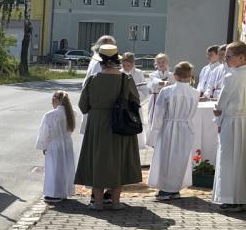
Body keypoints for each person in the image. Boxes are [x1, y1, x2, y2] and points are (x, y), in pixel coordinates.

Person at [75, 43, 142, 210]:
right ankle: (116, 202)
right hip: (120, 123)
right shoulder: (126, 79)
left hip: (97, 123)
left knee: (98, 160)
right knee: (118, 160)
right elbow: (136, 101)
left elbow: (83, 106)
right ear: (117, 61)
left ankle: (97, 202)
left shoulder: (92, 80)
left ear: (101, 62)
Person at [212, 41, 246, 211]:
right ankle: (241, 199)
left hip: (233, 121)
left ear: (241, 57)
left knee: (229, 160)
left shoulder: (231, 76)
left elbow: (221, 103)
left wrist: (218, 118)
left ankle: (231, 199)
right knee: (244, 162)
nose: (225, 59)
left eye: (228, 56)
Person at [148, 61, 199, 199]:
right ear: (190, 76)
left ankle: (166, 189)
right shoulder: (195, 93)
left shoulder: (167, 91)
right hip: (186, 128)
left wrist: (154, 133)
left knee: (167, 158)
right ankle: (175, 189)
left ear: (175, 76)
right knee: (180, 158)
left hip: (168, 127)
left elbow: (158, 113)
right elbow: (193, 113)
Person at [35, 91, 76, 203]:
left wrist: (44, 146)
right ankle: (64, 191)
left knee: (54, 169)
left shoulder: (50, 115)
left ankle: (54, 193)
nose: (52, 103)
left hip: (54, 144)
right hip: (67, 143)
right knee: (65, 168)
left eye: (52, 100)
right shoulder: (72, 113)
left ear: (57, 100)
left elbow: (44, 133)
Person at [145, 53, 173, 145]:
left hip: (168, 100)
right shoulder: (153, 74)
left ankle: (167, 138)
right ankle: (154, 141)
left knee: (167, 118)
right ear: (156, 64)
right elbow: (155, 82)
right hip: (156, 99)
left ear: (167, 62)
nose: (161, 64)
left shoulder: (172, 75)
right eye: (159, 62)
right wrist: (163, 83)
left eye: (163, 62)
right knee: (155, 119)